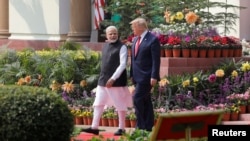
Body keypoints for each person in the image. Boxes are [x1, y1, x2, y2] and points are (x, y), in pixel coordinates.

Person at [81, 25, 132, 136]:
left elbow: (123, 65)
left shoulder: (122, 47)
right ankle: (94, 127)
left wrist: (113, 78)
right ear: (107, 35)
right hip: (103, 80)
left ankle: (121, 128)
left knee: (120, 104)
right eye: (110, 34)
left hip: (116, 81)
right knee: (98, 103)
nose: (113, 35)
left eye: (115, 33)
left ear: (117, 34)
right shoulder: (105, 46)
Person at [129, 17, 161, 131]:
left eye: (134, 27)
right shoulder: (135, 40)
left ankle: (140, 126)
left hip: (147, 77)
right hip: (137, 77)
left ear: (141, 27)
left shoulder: (152, 40)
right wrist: (131, 74)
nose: (133, 29)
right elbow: (133, 59)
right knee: (146, 101)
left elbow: (155, 60)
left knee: (137, 98)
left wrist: (154, 76)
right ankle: (149, 126)